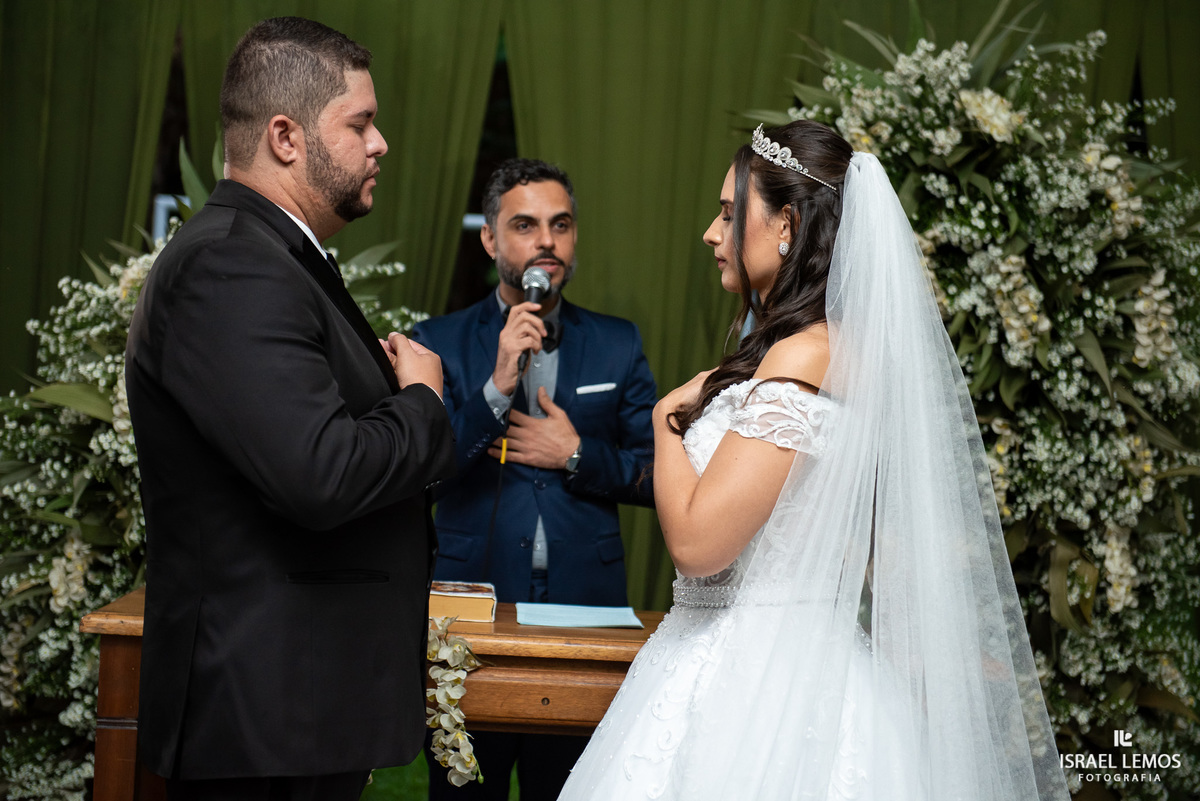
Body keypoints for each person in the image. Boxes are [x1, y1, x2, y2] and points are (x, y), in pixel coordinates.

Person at [557, 121, 1071, 800]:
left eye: (730, 212)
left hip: (757, 681)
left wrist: (662, 422)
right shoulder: (816, 350)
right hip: (773, 652)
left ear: (788, 226)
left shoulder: (805, 354)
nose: (712, 234)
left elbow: (699, 543)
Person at [124, 17, 456, 801]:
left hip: (292, 711)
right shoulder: (233, 262)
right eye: (360, 123)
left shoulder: (270, 253)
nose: (380, 144)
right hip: (264, 718)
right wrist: (421, 402)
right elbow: (320, 472)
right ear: (284, 135)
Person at [411, 158, 657, 800]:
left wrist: (576, 453)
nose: (546, 240)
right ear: (491, 239)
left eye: (561, 224)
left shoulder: (618, 344)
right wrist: (496, 388)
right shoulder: (434, 344)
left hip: (587, 613)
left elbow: (659, 476)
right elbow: (415, 477)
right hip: (473, 612)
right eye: (525, 225)